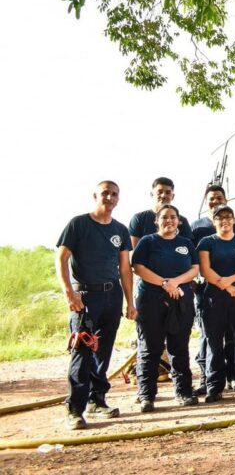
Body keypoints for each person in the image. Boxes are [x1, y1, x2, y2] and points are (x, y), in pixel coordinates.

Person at [55, 181, 136, 430]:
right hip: (84, 298)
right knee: (82, 351)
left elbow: (125, 268)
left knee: (103, 352)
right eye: (105, 193)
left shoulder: (120, 230)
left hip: (111, 298)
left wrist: (130, 302)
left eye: (114, 194)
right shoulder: (78, 224)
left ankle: (96, 400)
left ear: (118, 199)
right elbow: (61, 258)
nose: (109, 197)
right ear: (95, 196)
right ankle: (74, 409)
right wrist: (69, 292)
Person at [130, 204, 199, 413]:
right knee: (150, 349)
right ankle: (147, 395)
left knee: (179, 347)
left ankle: (183, 391)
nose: (169, 221)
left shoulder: (186, 244)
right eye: (164, 217)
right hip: (151, 300)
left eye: (173, 217)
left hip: (181, 301)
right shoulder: (147, 242)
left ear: (179, 221)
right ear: (156, 221)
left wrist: (175, 283)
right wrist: (164, 283)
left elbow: (195, 269)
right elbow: (138, 267)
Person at [196, 205, 235, 402]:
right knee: (214, 343)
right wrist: (226, 286)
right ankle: (214, 387)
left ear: (233, 220)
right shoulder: (206, 242)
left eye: (228, 217)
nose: (224, 221)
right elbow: (205, 270)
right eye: (220, 218)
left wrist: (230, 281)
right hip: (214, 297)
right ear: (214, 221)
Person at [129, 176, 193, 246]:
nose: (163, 195)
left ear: (173, 196)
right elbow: (134, 251)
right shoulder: (139, 219)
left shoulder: (182, 221)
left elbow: (187, 249)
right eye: (160, 192)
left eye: (168, 192)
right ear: (152, 194)